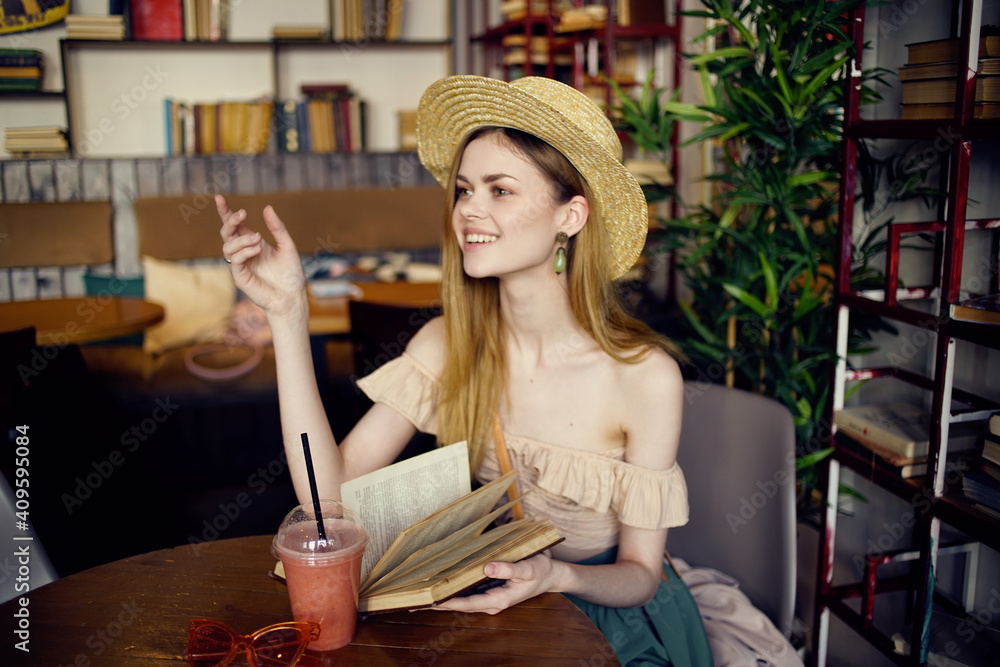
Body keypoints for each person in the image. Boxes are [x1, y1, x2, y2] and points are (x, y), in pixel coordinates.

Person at [217, 75, 712, 667]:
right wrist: (287, 316)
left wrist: (555, 576)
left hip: (611, 627)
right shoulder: (447, 344)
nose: (468, 210)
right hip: (501, 619)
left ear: (571, 216)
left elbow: (640, 577)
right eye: (463, 190)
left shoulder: (645, 377)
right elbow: (327, 498)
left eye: (500, 190)